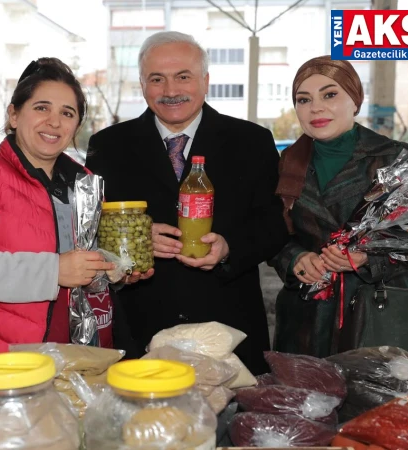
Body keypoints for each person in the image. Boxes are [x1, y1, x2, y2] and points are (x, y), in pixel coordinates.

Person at [85, 31, 288, 375]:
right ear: (143, 84)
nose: (170, 91)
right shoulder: (109, 145)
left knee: (228, 429)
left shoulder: (251, 141)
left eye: (183, 76)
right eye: (157, 79)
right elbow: (89, 229)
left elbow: (273, 225)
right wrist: (130, 243)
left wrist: (228, 249)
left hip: (229, 327)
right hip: (140, 328)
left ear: (205, 81)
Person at [0, 58, 115, 365]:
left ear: (76, 126)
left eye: (67, 113)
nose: (54, 122)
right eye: (42, 108)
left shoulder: (83, 185)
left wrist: (119, 264)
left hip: (70, 358)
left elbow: (82, 264)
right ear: (14, 115)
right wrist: (54, 271)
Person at [269, 56, 408, 358]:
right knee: (304, 401)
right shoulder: (286, 164)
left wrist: (369, 257)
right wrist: (294, 257)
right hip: (305, 319)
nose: (316, 107)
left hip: (378, 312)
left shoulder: (396, 159)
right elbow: (270, 232)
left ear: (355, 99)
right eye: (303, 99)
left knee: (375, 402)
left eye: (330, 94)